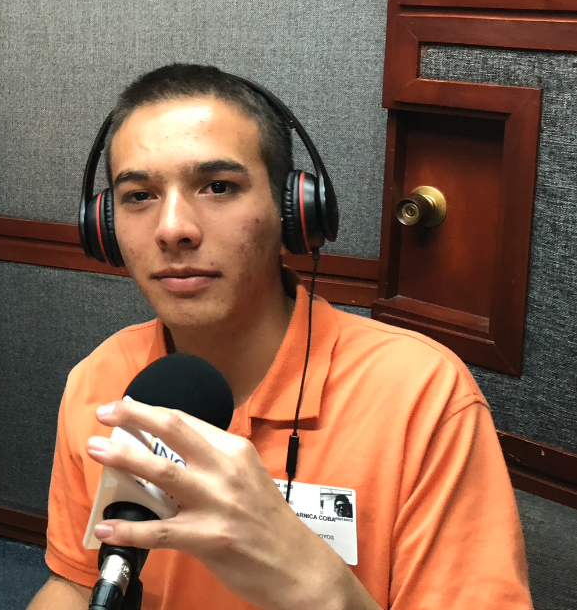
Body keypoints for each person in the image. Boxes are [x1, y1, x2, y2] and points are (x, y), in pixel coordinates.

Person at [28, 64, 531, 610]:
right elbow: (75, 583)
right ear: (103, 227)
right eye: (139, 195)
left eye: (219, 187)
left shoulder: (421, 395)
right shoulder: (99, 381)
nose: (172, 229)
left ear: (294, 212)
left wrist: (319, 587)